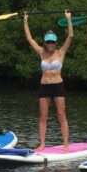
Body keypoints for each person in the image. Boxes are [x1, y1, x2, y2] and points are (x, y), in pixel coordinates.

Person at [23, 10, 74, 151]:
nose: (50, 44)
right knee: (43, 116)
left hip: (58, 86)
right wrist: (25, 20)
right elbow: (29, 38)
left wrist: (68, 18)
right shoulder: (41, 52)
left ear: (55, 42)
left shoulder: (61, 52)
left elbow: (70, 36)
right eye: (48, 42)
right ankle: (43, 144)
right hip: (44, 86)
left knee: (61, 115)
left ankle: (66, 144)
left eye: (52, 42)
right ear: (45, 43)